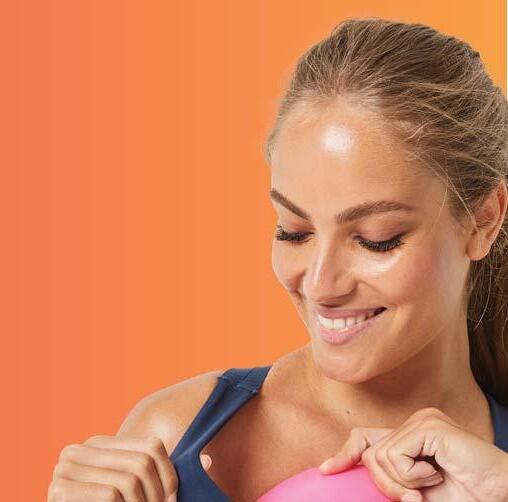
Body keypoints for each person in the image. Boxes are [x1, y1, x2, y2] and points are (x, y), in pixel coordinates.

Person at [48, 17, 508, 502]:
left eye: (377, 239)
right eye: (294, 231)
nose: (321, 285)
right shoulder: (175, 439)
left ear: (483, 220)